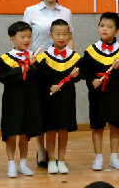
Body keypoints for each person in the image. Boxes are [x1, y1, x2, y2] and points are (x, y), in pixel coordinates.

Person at [23, 0, 74, 167]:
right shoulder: (31, 11)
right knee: (40, 108)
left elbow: (70, 38)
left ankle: (56, 156)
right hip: (38, 65)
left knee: (56, 111)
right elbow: (24, 37)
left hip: (60, 66)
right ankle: (41, 149)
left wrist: (70, 59)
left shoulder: (66, 12)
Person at [80, 12, 119, 171]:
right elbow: (84, 71)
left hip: (116, 93)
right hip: (97, 95)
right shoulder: (91, 51)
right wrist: (91, 80)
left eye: (109, 27)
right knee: (98, 126)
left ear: (116, 31)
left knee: (115, 125)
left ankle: (114, 158)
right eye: (102, 25)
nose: (105, 29)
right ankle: (98, 158)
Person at [0, 21, 42, 177]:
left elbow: (41, 78)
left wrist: (33, 65)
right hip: (12, 101)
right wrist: (23, 68)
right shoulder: (4, 59)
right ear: (12, 38)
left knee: (25, 133)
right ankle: (11, 164)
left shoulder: (35, 57)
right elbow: (4, 78)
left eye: (29, 36)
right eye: (22, 37)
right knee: (11, 132)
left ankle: (23, 163)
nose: (26, 40)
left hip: (30, 100)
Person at [36, 19, 81, 174]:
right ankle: (52, 159)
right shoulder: (44, 57)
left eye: (65, 34)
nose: (61, 37)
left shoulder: (74, 57)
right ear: (51, 35)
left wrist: (76, 75)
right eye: (57, 34)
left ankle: (61, 160)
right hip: (50, 98)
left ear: (69, 36)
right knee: (50, 129)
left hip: (67, 98)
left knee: (63, 129)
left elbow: (79, 77)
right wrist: (50, 86)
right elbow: (40, 79)